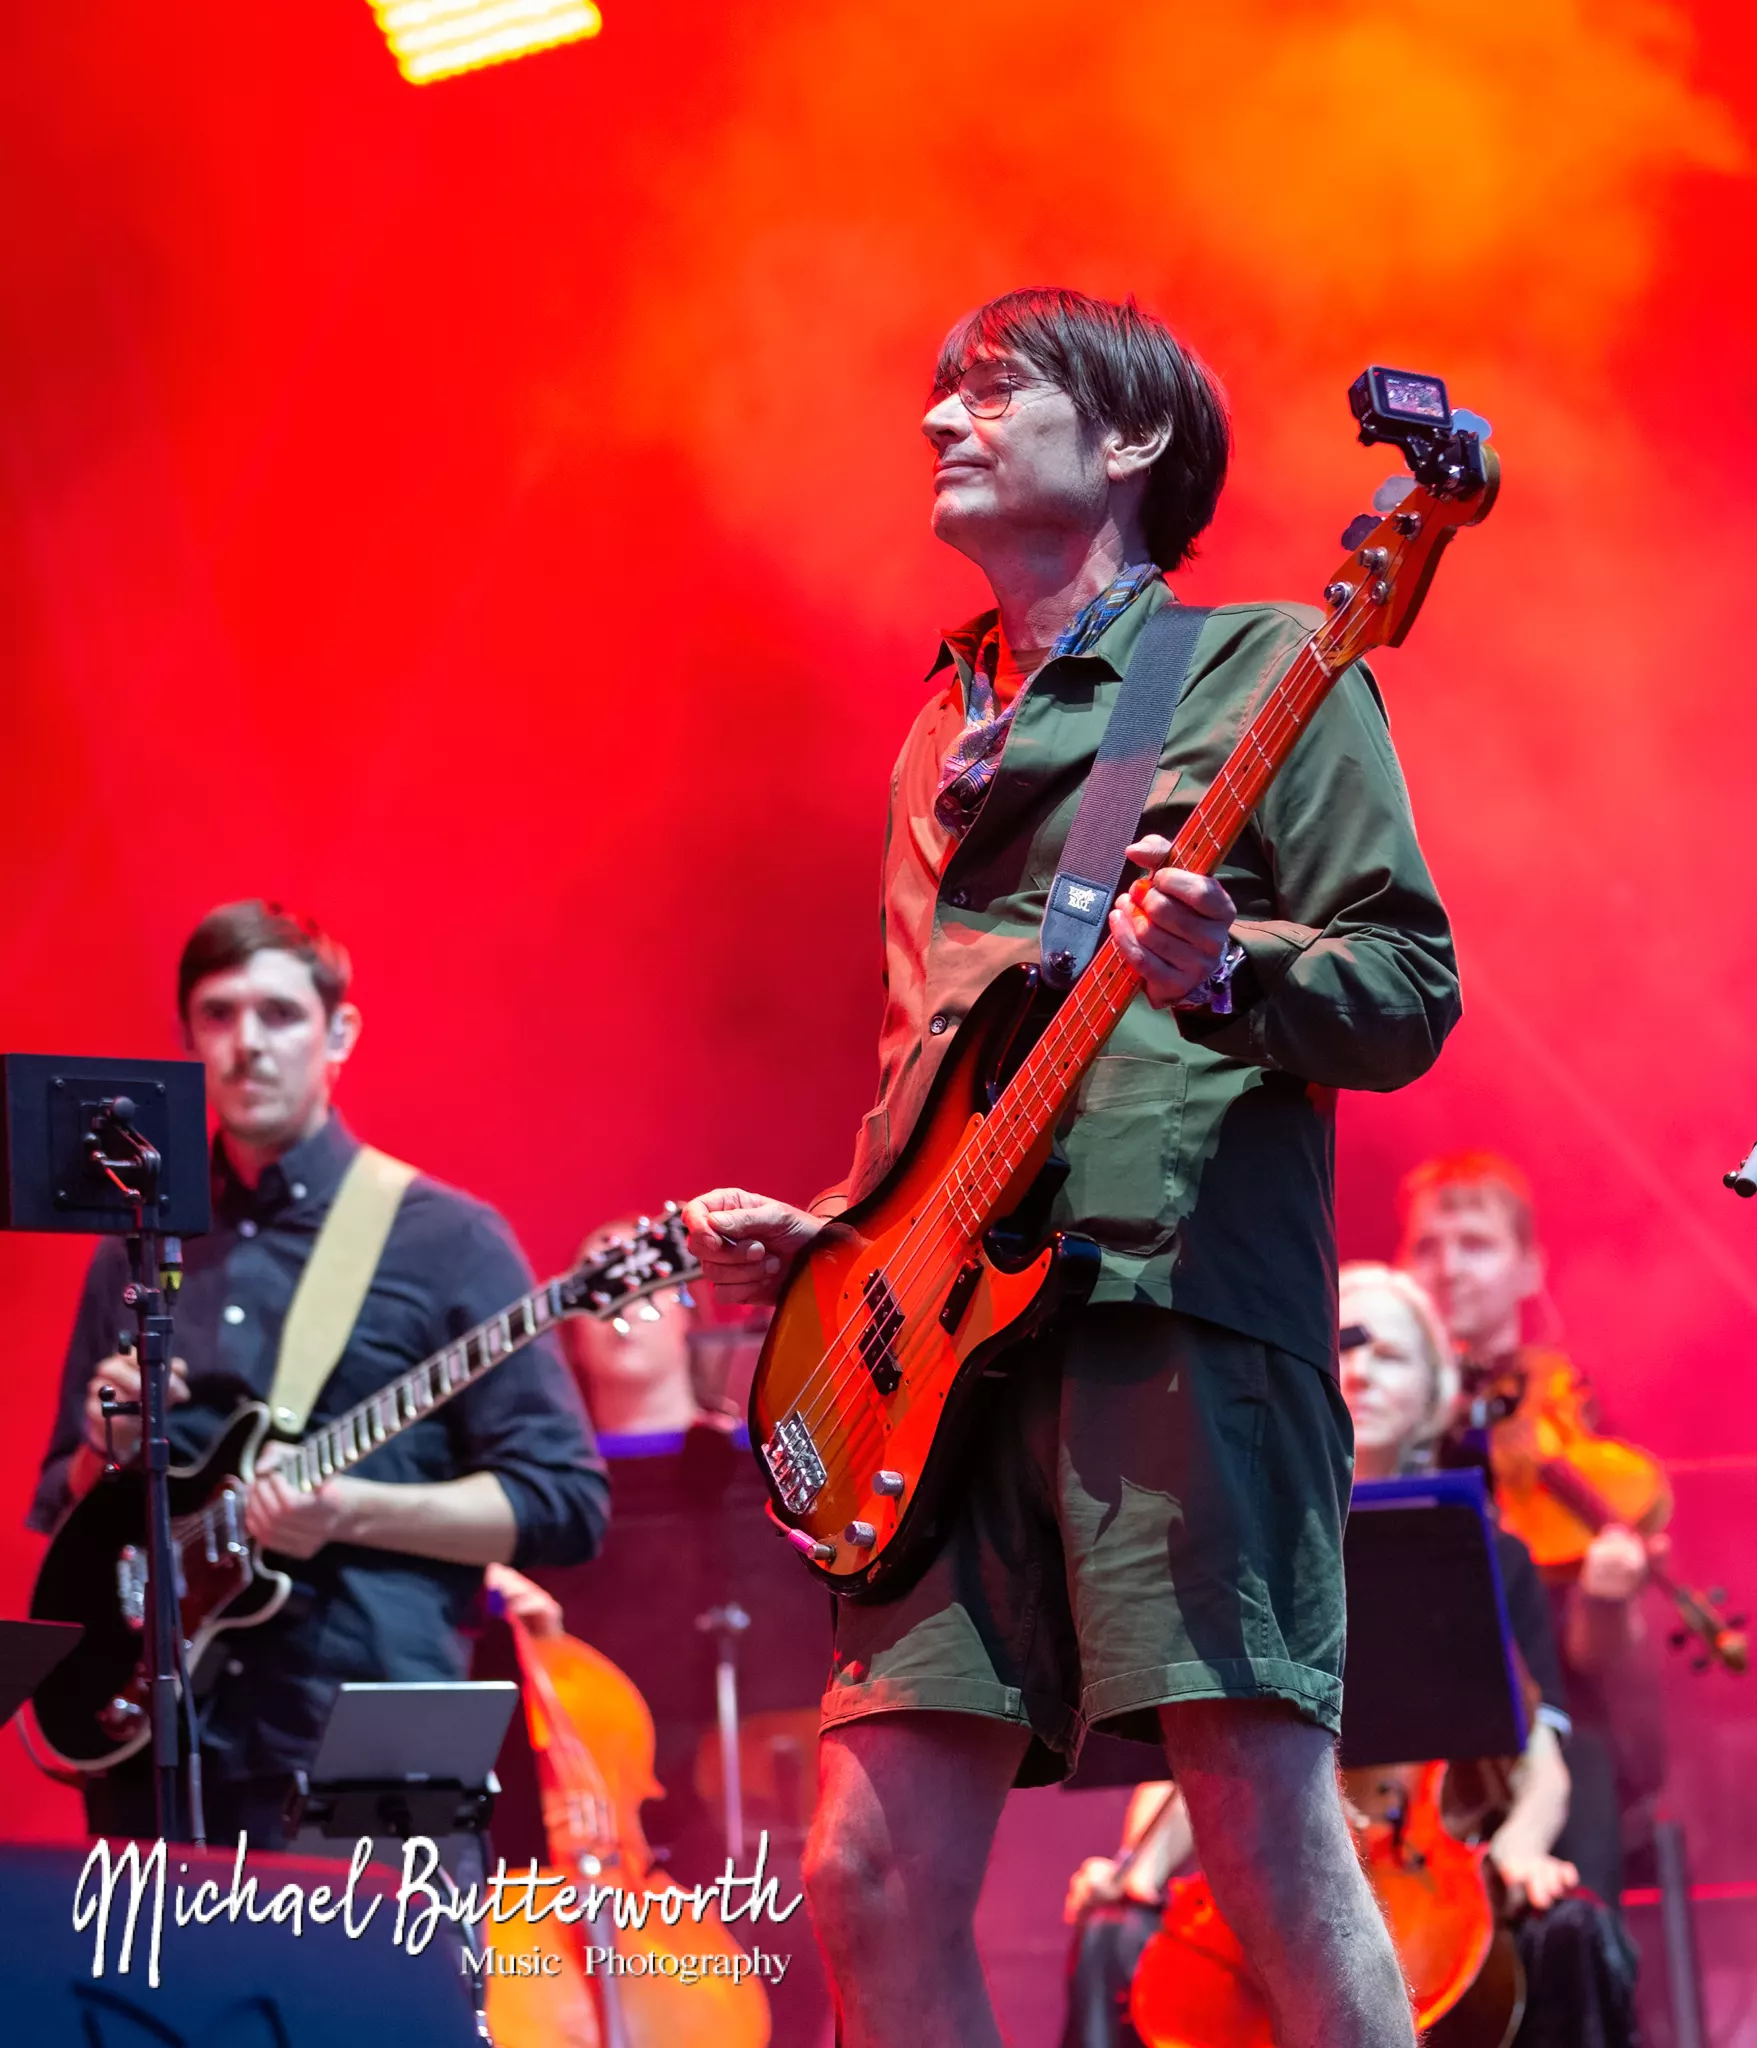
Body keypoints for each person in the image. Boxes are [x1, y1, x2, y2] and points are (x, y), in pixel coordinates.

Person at [684, 286, 1463, 2048]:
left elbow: (1408, 984)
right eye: (938, 397)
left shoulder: (1264, 664)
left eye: (988, 393)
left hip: (1162, 1309)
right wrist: (839, 1239)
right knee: (865, 1873)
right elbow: (936, 1062)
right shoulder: (934, 730)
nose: (937, 424)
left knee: (1258, 1831)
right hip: (932, 1353)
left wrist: (1230, 967)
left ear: (1127, 441)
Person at [27, 900, 609, 1845]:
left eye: (280, 1014)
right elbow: (65, 1505)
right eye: (218, 1015)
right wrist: (107, 1451)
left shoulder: (448, 1240)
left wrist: (351, 1512)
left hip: (373, 1740)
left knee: (382, 1954)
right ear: (186, 1039)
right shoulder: (136, 1243)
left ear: (339, 1034)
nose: (247, 1043)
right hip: (159, 1756)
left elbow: (566, 1502)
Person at [1397, 1150, 1668, 1906]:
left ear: (1528, 1268)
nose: (1449, 1268)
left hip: (1556, 1720)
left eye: (1476, 1245)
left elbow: (1596, 1660)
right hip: (1405, 1729)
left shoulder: (1580, 1417)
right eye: (1426, 1246)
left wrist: (1606, 1599)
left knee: (1575, 1796)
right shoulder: (1378, 1409)